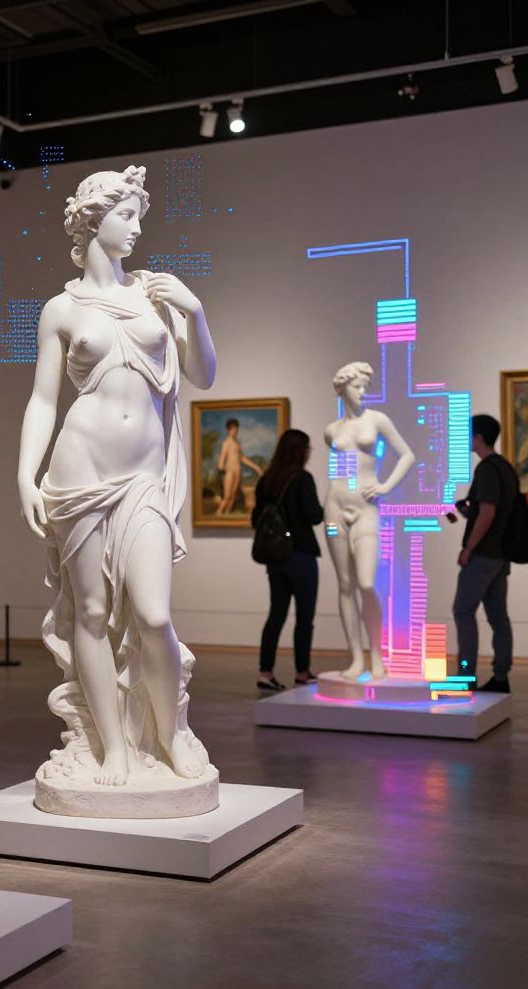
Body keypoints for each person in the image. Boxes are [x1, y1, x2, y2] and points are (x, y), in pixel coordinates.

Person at [17, 166, 217, 797]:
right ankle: (113, 746)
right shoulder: (61, 308)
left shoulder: (156, 296)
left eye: (137, 216)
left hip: (143, 478)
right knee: (92, 612)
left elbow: (204, 375)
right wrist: (25, 475)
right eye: (126, 215)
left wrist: (195, 311)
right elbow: (43, 400)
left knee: (154, 615)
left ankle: (170, 733)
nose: (135, 228)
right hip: (77, 471)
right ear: (92, 220)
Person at [323, 361, 415, 679]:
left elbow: (407, 455)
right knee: (344, 584)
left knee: (365, 582)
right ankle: (356, 658)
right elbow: (341, 469)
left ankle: (376, 653)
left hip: (366, 508)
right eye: (357, 386)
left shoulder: (377, 420)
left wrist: (385, 486)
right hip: (334, 510)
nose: (362, 392)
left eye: (365, 386)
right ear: (342, 388)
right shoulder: (332, 430)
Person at [452, 414, 517, 693]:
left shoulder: (487, 469)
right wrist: (470, 511)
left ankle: (466, 676)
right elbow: (493, 511)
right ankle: (501, 676)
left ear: (478, 438)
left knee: (463, 611)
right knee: (498, 617)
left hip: (484, 555)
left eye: (468, 434)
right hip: (501, 555)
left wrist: (469, 547)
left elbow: (488, 511)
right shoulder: (505, 468)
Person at [254, 429, 324, 691]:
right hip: (302, 556)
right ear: (300, 451)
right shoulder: (302, 479)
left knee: (276, 615)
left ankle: (265, 672)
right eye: (308, 448)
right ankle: (302, 672)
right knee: (304, 618)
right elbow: (314, 516)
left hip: (276, 558)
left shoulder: (267, 480)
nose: (309, 453)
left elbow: (255, 518)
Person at [216, 418, 263, 515]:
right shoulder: (226, 443)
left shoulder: (237, 443)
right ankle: (218, 515)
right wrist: (222, 467)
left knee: (233, 495)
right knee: (227, 496)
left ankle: (227, 515)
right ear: (228, 430)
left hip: (238, 471)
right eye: (233, 429)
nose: (235, 431)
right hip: (230, 471)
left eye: (236, 429)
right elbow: (222, 458)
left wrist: (256, 468)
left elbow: (242, 458)